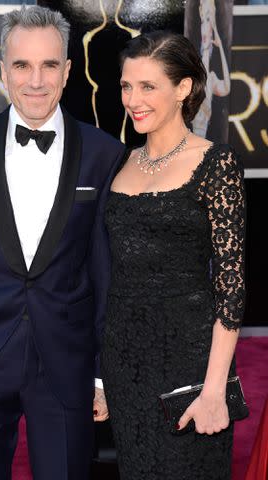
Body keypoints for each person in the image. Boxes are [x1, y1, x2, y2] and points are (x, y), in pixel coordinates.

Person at [0, 5, 125, 480]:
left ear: (68, 70)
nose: (36, 80)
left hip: (65, 362)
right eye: (22, 65)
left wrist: (99, 370)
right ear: (3, 70)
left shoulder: (104, 153)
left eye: (49, 64)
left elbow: (104, 268)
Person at [102, 31, 245, 479]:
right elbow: (105, 273)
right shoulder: (119, 162)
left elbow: (231, 288)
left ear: (183, 88)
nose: (133, 99)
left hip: (191, 364)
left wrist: (215, 389)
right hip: (124, 363)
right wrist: (101, 379)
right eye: (127, 86)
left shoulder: (215, 164)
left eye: (148, 87)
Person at [192, 0, 231, 138]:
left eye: (208, 20)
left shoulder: (212, 79)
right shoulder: (194, 62)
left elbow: (226, 88)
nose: (205, 28)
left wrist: (220, 48)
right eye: (203, 22)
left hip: (201, 139)